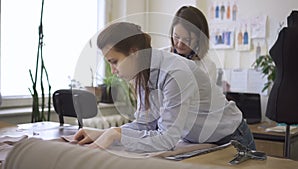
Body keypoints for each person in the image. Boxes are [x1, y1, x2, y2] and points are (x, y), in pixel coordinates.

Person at [74, 22, 256, 152]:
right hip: (200, 142)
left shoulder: (175, 74)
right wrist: (105, 133)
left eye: (114, 62)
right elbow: (146, 124)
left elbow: (166, 138)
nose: (113, 70)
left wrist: (116, 135)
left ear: (133, 53)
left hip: (231, 138)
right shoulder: (142, 74)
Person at [169, 6, 217, 82]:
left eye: (187, 39)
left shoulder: (208, 67)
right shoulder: (160, 56)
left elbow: (206, 93)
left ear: (199, 39)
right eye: (176, 37)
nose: (179, 44)